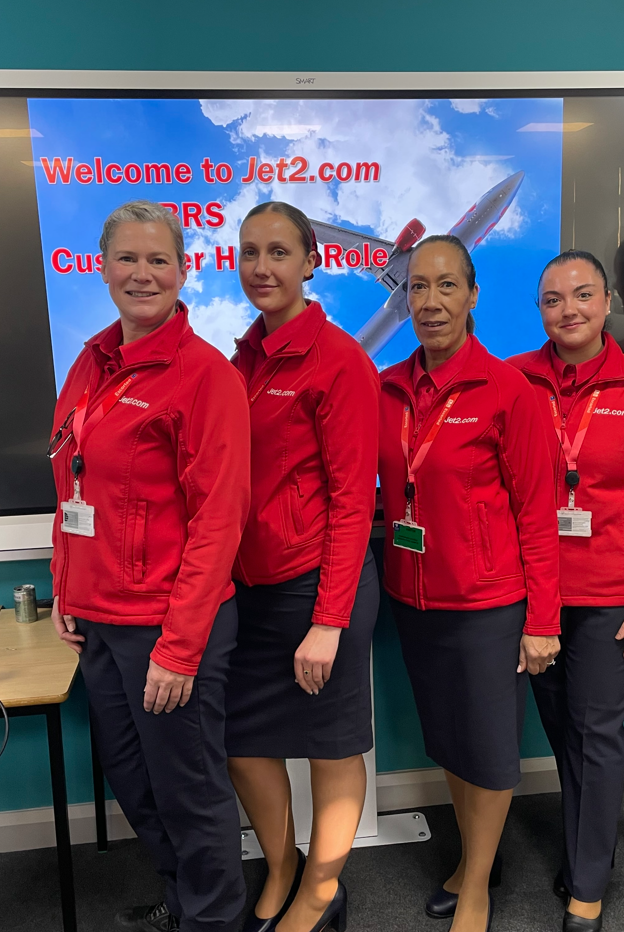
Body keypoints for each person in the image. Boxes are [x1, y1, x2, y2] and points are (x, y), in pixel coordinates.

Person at [48, 200, 250, 932]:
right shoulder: (92, 361)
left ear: (182, 269)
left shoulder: (205, 377)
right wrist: (66, 583)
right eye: (127, 259)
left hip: (169, 625)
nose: (143, 273)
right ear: (102, 269)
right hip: (100, 617)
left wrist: (180, 643)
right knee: (136, 783)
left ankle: (214, 919)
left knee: (189, 790)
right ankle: (184, 902)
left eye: (158, 259)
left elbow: (218, 521)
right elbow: (72, 477)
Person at [377, 234, 561, 932]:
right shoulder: (388, 387)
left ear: (473, 293)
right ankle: (471, 861)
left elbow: (537, 516)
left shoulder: (507, 391)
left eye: (445, 285)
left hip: (487, 605)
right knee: (450, 742)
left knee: (486, 749)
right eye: (417, 287)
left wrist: (542, 620)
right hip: (415, 599)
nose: (429, 301)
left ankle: (477, 884)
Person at [509, 250, 624, 932]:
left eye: (581, 295)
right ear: (539, 311)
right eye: (552, 299)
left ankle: (587, 879)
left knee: (596, 734)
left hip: (612, 596)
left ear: (607, 300)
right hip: (531, 591)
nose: (568, 310)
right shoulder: (512, 380)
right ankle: (591, 846)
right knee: (564, 733)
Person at [226, 201, 381, 932]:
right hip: (247, 589)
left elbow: (354, 499)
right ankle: (281, 865)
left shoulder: (339, 360)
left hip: (319, 586)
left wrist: (328, 620)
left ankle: (321, 888)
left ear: (311, 262)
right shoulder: (239, 360)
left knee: (329, 743)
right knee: (244, 740)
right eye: (249, 252)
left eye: (279, 252)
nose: (262, 267)